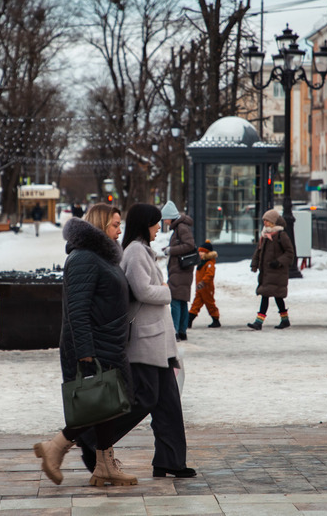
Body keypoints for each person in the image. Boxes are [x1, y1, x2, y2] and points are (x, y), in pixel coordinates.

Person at [77, 204, 196, 479]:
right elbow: (141, 290)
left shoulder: (140, 250)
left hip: (158, 340)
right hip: (145, 341)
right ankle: (92, 437)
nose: (159, 228)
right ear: (146, 224)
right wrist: (166, 292)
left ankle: (171, 461)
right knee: (145, 399)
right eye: (156, 223)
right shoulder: (135, 251)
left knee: (169, 404)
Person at [33, 209, 137, 488]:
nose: (119, 229)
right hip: (92, 345)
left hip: (109, 342)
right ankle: (55, 447)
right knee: (97, 404)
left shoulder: (104, 257)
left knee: (108, 405)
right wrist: (85, 351)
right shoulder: (83, 258)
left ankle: (104, 466)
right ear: (102, 225)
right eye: (115, 224)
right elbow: (76, 310)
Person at [247, 209, 295, 330]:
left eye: (267, 220)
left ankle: (259, 322)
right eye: (264, 220)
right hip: (267, 272)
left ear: (273, 222)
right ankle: (285, 320)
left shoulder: (281, 235)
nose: (265, 222)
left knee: (268, 295)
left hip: (277, 273)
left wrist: (278, 262)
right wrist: (254, 264)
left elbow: (290, 253)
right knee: (274, 296)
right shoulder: (265, 235)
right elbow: (258, 251)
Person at [160, 200, 196, 341]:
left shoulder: (181, 227)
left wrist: (171, 250)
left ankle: (175, 331)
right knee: (181, 301)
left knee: (175, 300)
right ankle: (182, 331)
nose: (165, 222)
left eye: (165, 219)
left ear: (170, 216)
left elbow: (189, 245)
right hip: (182, 269)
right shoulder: (181, 227)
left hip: (181, 270)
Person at [187, 240, 220, 328]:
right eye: (200, 251)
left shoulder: (209, 264)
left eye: (203, 252)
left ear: (208, 253)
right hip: (200, 288)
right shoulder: (200, 263)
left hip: (207, 288)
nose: (200, 253)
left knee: (210, 304)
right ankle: (189, 320)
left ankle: (216, 320)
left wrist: (203, 282)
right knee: (196, 304)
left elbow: (209, 275)